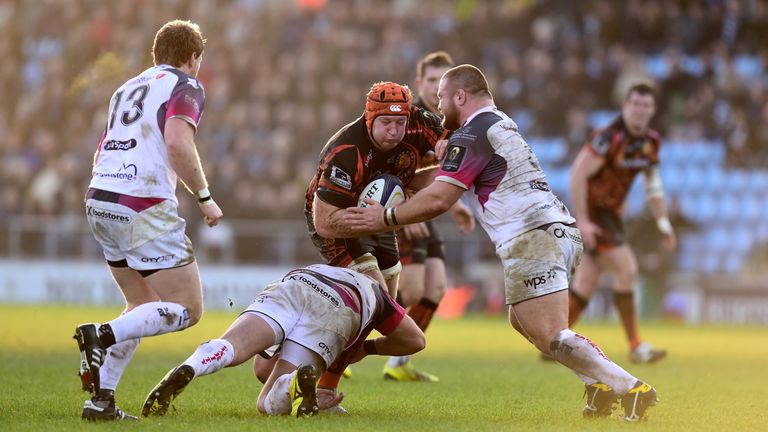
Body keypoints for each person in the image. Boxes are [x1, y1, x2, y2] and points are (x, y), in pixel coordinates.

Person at [345, 64, 659, 421]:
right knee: (521, 320)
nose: (438, 106)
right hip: (557, 231)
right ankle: (597, 384)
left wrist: (384, 218)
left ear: (459, 96)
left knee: (551, 333)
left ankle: (631, 388)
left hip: (531, 238)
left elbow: (439, 199)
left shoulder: (472, 133)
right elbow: (446, 177)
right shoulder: (495, 123)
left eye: (441, 98)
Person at [73, 20, 223, 421]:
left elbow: (100, 150)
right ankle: (100, 335)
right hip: (141, 202)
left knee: (141, 303)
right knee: (188, 308)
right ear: (193, 57)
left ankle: (100, 401)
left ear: (156, 54)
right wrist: (205, 198)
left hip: (100, 197)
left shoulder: (125, 88)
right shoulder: (186, 85)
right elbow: (177, 141)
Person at [141, 264, 425, 417]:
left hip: (296, 282)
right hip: (340, 305)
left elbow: (261, 367)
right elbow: (415, 340)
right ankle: (288, 384)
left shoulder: (325, 266)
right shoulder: (378, 294)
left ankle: (195, 363)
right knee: (265, 403)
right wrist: (369, 348)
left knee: (233, 346)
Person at [568, 83, 676, 364]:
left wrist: (663, 221)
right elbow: (578, 175)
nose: (640, 110)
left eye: (645, 105)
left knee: (588, 279)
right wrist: (583, 220)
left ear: (652, 110)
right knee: (627, 269)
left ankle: (554, 338)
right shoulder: (608, 137)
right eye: (635, 104)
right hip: (595, 212)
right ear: (626, 106)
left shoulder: (651, 142)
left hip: (612, 214)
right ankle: (636, 346)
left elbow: (653, 185)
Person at [384, 51, 475, 382]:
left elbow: (439, 174)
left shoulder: (446, 123)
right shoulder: (406, 119)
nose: (440, 87)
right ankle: (341, 350)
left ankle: (398, 361)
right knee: (402, 291)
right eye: (434, 80)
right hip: (399, 211)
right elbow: (387, 169)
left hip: (424, 211)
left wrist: (459, 206)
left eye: (445, 81)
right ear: (421, 83)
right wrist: (407, 209)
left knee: (435, 289)